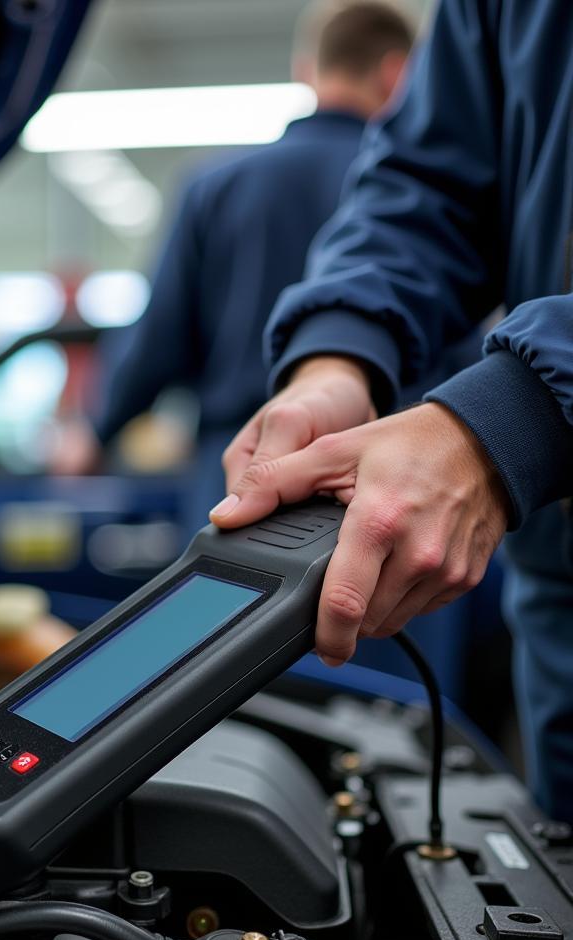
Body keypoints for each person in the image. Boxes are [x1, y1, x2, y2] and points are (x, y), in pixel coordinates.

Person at [210, 1, 573, 822]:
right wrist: (335, 362)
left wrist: (511, 422)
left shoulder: (219, 181)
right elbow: (429, 185)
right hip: (561, 601)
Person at [53, 0, 418, 531]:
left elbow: (158, 338)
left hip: (240, 469)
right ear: (398, 75)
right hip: (384, 481)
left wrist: (93, 431)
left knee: (228, 613)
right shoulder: (420, 195)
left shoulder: (215, 187)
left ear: (306, 73)